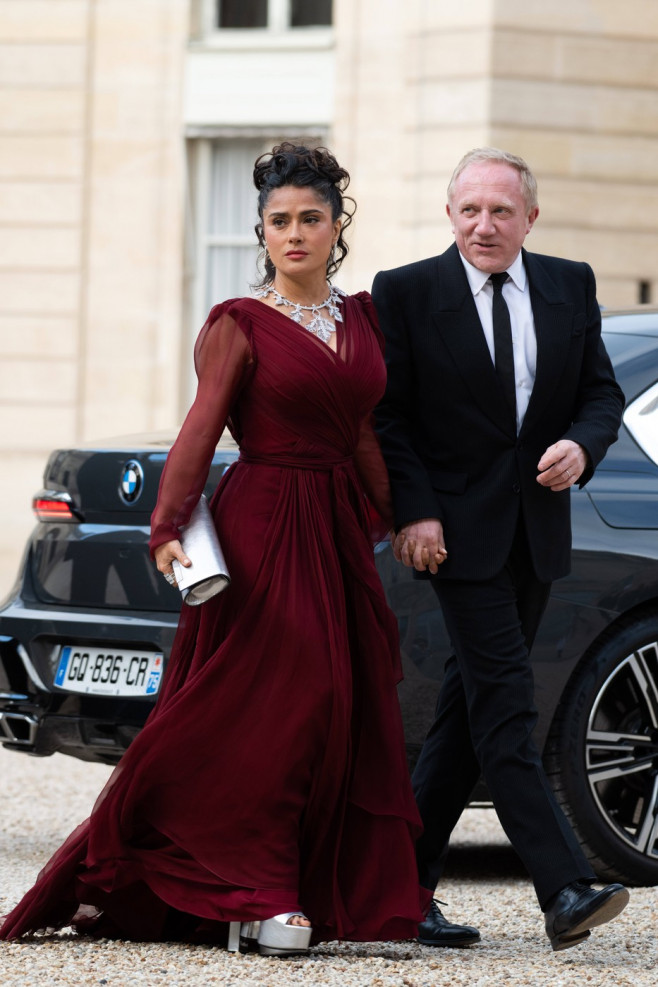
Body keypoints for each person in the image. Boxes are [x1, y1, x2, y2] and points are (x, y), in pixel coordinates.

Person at [0, 143, 430, 953]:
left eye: (310, 218)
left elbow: (365, 430)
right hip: (263, 524)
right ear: (260, 232)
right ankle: (257, 893)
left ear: (337, 225)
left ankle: (294, 890)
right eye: (279, 221)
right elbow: (200, 431)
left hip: (334, 527)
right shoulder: (239, 323)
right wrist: (168, 526)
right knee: (282, 702)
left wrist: (402, 516)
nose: (295, 233)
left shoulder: (361, 317)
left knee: (338, 703)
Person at [372, 147, 628, 952]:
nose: (485, 225)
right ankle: (564, 885)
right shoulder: (406, 292)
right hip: (455, 537)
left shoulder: (570, 282)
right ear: (450, 214)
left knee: (466, 714)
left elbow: (601, 392)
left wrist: (584, 447)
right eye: (470, 210)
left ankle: (398, 889)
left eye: (502, 211)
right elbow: (390, 419)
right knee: (508, 708)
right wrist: (413, 512)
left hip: (537, 532)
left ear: (530, 218)